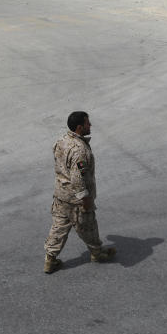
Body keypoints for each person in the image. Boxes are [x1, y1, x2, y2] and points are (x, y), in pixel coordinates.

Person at [44, 111, 116, 274]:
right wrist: (85, 199)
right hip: (76, 201)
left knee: (58, 228)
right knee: (88, 226)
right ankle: (97, 253)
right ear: (79, 127)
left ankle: (50, 260)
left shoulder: (62, 140)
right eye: (87, 123)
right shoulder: (80, 150)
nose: (90, 125)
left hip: (61, 196)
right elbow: (78, 178)